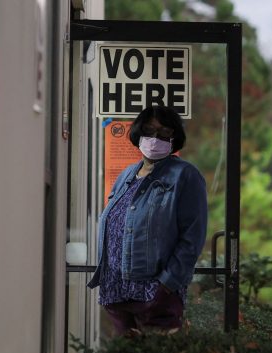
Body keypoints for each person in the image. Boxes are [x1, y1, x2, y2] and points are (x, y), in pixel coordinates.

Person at [87, 105, 208, 336]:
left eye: (164, 132)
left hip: (156, 296)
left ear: (175, 137)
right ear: (138, 133)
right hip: (116, 294)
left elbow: (192, 238)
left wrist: (166, 284)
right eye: (149, 130)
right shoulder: (126, 175)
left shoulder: (186, 176)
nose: (155, 138)